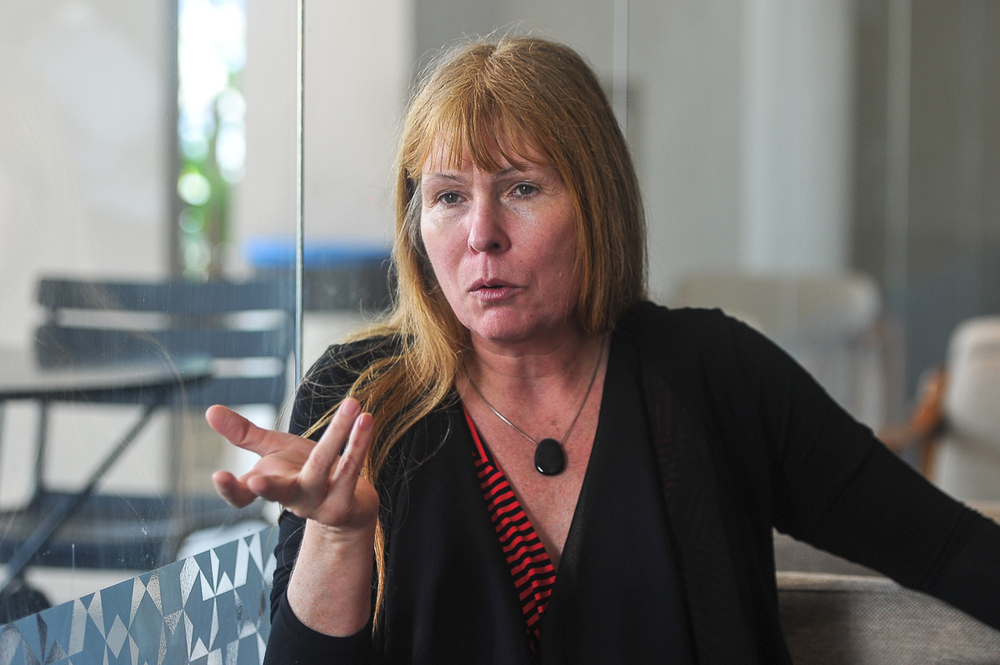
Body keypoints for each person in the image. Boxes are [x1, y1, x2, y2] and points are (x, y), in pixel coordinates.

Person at [206, 36, 1000, 664]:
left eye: (521, 187)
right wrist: (340, 537)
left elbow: (945, 546)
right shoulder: (361, 396)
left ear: (598, 202)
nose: (481, 234)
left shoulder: (716, 371)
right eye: (448, 196)